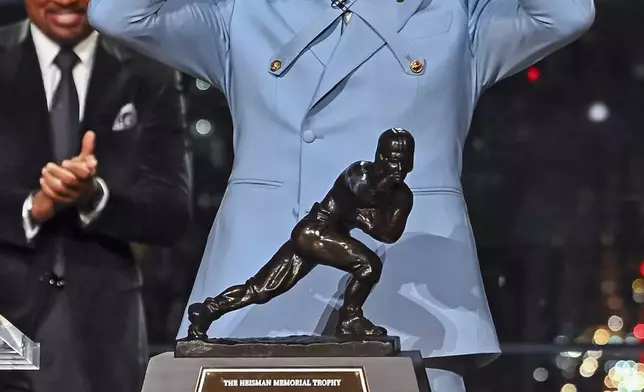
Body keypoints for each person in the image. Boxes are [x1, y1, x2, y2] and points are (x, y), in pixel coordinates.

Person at [86, 0, 595, 390]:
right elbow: (117, 12)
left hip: (411, 294)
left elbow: (567, 13)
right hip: (266, 281)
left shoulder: (452, 16)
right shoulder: (247, 12)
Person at [0, 0, 191, 390]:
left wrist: (93, 196)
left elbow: (172, 212)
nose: (66, 0)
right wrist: (32, 207)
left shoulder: (150, 69)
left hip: (106, 327)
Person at [188, 128, 414, 339]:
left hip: (327, 236)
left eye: (405, 162)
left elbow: (389, 235)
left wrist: (366, 217)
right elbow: (365, 195)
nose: (399, 169)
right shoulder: (359, 172)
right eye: (394, 161)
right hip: (313, 231)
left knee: (262, 288)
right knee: (368, 266)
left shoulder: (402, 196)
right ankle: (349, 319)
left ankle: (208, 310)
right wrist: (371, 215)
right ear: (380, 158)